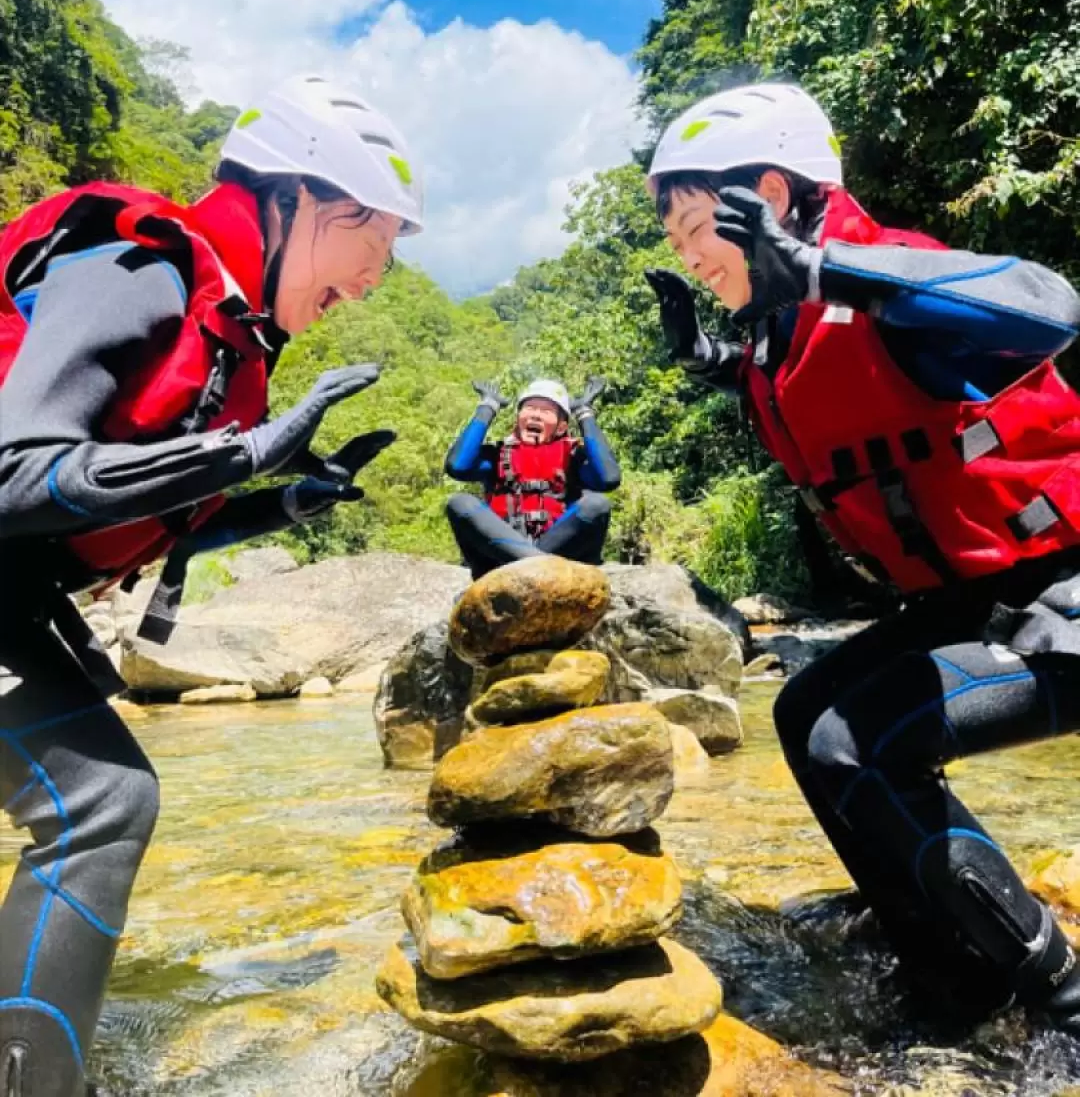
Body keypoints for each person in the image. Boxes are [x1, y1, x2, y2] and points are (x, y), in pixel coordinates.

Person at [0, 74, 424, 1097]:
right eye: (375, 246)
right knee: (102, 801)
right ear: (308, 204)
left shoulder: (227, 331)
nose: (373, 281)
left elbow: (124, 513)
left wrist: (283, 504)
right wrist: (233, 459)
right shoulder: (137, 268)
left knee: (102, 793)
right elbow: (14, 474)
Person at [643, 81, 1080, 1031]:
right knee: (804, 711)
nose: (683, 256)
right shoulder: (782, 327)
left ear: (765, 192)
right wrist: (717, 360)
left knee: (861, 743)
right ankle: (944, 966)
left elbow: (1050, 306)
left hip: (1063, 602)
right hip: (973, 605)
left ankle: (1062, 995)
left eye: (690, 231)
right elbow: (835, 406)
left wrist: (830, 269)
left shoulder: (888, 281)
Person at [444, 377, 621, 577]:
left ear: (561, 427)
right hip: (498, 561)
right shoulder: (497, 456)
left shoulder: (573, 458)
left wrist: (584, 414)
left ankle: (533, 567)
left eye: (546, 411)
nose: (535, 415)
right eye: (529, 408)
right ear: (518, 420)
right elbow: (457, 466)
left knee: (597, 504)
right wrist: (487, 407)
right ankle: (534, 566)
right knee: (460, 503)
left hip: (559, 555)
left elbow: (608, 478)